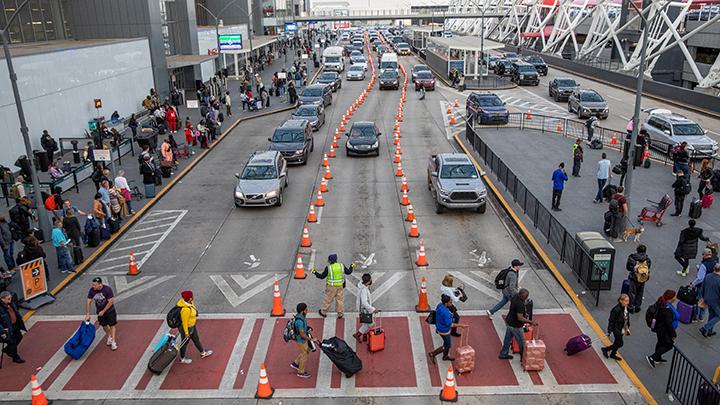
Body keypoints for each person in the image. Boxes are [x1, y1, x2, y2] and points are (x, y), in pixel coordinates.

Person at [427, 294, 467, 364]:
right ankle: (432, 354)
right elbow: (450, 324)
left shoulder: (440, 305)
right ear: (446, 303)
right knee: (447, 345)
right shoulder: (446, 313)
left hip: (439, 326)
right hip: (444, 331)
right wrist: (461, 325)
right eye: (450, 302)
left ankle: (445, 356)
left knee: (446, 343)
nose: (451, 304)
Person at [312, 254, 355, 318]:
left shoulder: (328, 268)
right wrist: (352, 266)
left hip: (331, 287)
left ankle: (323, 312)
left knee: (328, 300)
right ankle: (340, 313)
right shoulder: (341, 265)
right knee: (340, 300)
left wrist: (315, 272)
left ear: (329, 261)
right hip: (340, 286)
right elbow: (348, 272)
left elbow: (321, 276)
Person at [498, 288, 537, 360]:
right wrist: (531, 322)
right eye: (526, 297)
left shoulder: (515, 296)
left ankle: (503, 353)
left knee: (508, 339)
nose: (527, 298)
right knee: (522, 342)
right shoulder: (520, 305)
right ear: (523, 297)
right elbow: (520, 318)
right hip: (516, 326)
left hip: (509, 321)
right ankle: (523, 357)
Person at [176, 290, 213, 363]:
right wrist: (186, 333)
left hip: (192, 326)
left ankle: (202, 352)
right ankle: (182, 359)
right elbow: (184, 323)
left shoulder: (189, 303)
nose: (193, 297)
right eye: (192, 296)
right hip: (187, 328)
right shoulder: (185, 310)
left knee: (196, 339)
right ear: (190, 298)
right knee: (184, 343)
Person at [647, 290, 679, 367]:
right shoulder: (667, 310)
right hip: (664, 330)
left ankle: (657, 358)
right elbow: (668, 324)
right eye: (674, 296)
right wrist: (673, 334)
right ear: (670, 298)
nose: (675, 298)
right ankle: (652, 357)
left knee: (660, 342)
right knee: (669, 345)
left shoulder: (663, 304)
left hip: (660, 329)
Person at [85, 277, 118, 350]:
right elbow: (88, 301)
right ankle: (109, 336)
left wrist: (103, 311)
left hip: (109, 311)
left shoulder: (107, 289)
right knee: (104, 325)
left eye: (94, 285)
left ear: (100, 285)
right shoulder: (92, 290)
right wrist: (87, 313)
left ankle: (113, 341)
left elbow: (110, 301)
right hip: (99, 312)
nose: (93, 286)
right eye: (92, 284)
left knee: (112, 325)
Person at [692, 248, 718, 323]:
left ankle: (695, 317)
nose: (703, 257)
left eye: (703, 255)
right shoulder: (715, 262)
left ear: (705, 255)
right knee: (705, 301)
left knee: (698, 300)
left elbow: (700, 278)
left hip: (702, 286)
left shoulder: (704, 265)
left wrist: (693, 284)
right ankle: (701, 317)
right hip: (711, 286)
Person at [0, 291, 26, 363]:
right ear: (2, 299)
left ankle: (8, 350)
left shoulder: (11, 303)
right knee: (12, 343)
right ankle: (16, 357)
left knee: (19, 337)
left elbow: (15, 311)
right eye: (8, 299)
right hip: (6, 329)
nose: (10, 300)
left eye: (10, 298)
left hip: (14, 325)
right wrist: (2, 332)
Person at [602, 294, 631, 361]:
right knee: (620, 343)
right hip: (617, 329)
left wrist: (627, 328)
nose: (628, 302)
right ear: (621, 301)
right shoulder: (616, 310)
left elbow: (626, 318)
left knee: (617, 342)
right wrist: (609, 330)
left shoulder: (626, 308)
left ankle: (613, 353)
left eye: (628, 301)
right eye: (626, 301)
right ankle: (606, 349)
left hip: (622, 328)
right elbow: (611, 320)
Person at [626, 244, 651, 313]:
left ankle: (630, 307)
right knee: (640, 292)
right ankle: (637, 306)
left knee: (632, 292)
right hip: (643, 278)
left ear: (637, 250)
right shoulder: (647, 259)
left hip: (634, 277)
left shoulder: (632, 258)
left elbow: (628, 268)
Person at [353, 273, 379, 342]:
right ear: (368, 281)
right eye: (371, 279)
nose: (371, 280)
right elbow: (364, 303)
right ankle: (358, 334)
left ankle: (364, 336)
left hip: (362, 309)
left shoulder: (362, 286)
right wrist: (373, 309)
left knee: (365, 323)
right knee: (370, 323)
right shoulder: (364, 290)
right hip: (364, 310)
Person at [290, 302, 312, 378]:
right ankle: (301, 372)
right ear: (303, 311)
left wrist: (308, 328)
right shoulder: (299, 321)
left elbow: (303, 329)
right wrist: (311, 339)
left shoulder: (301, 316)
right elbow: (302, 334)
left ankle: (296, 363)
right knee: (304, 355)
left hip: (303, 339)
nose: (307, 310)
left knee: (307, 350)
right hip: (301, 340)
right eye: (306, 309)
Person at [699, 263, 720, 338]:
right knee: (718, 316)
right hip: (716, 302)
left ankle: (709, 331)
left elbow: (702, 288)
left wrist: (703, 297)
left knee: (712, 315)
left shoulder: (708, 276)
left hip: (707, 299)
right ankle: (705, 328)